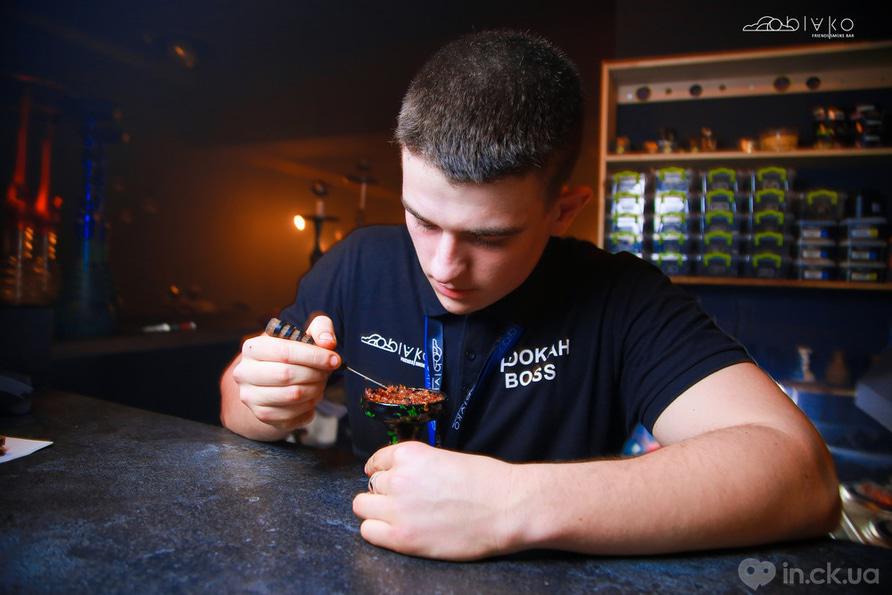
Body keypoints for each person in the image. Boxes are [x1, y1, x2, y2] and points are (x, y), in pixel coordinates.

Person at [220, 30, 840, 561]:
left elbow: (801, 475)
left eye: (489, 237)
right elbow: (234, 401)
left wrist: (511, 505)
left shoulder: (621, 297)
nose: (443, 266)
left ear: (562, 211)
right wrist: (265, 400)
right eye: (423, 220)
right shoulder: (359, 262)